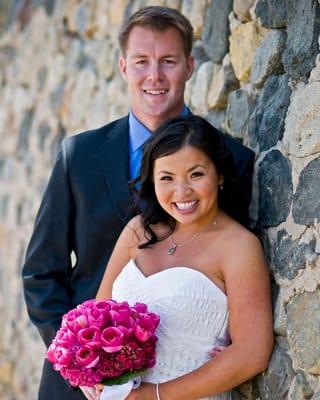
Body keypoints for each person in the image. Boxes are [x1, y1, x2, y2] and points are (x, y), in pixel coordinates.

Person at [21, 6, 255, 400]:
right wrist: (80, 358)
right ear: (123, 67)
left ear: (190, 65)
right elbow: (41, 274)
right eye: (141, 62)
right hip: (77, 386)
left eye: (168, 61)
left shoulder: (232, 161)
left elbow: (234, 263)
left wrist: (231, 334)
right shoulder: (78, 155)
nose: (155, 76)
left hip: (184, 381)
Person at [96, 115, 274, 400]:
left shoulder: (239, 247)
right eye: (167, 178)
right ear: (152, 180)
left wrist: (153, 396)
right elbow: (96, 319)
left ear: (219, 174)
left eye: (196, 175)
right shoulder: (137, 232)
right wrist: (88, 373)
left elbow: (252, 353)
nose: (182, 192)